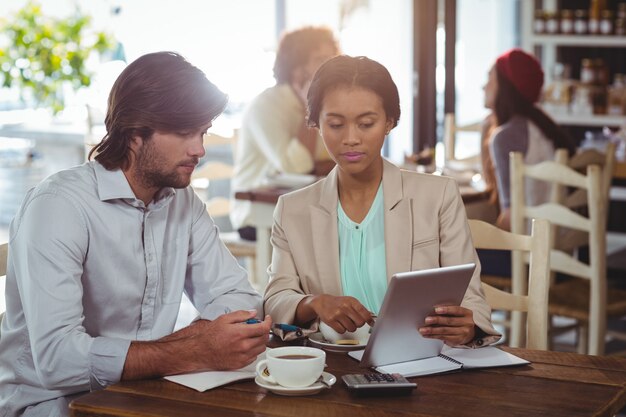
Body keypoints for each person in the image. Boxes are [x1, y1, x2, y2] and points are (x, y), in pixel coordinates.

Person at [0, 52, 271, 416]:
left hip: (144, 391)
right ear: (134, 132)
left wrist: (183, 347)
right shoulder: (58, 207)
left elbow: (240, 297)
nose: (200, 149)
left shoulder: (182, 201)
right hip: (53, 405)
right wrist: (191, 349)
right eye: (184, 132)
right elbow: (58, 359)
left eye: (202, 131)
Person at [263, 55, 501, 348]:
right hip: (331, 368)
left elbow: (471, 299)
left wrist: (468, 327)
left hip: (421, 363)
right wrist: (314, 303)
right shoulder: (292, 210)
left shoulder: (438, 196)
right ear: (317, 124)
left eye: (366, 124)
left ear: (389, 122)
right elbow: (275, 299)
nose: (351, 139)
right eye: (336, 124)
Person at [230, 26, 339, 241]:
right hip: (258, 214)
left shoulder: (330, 104)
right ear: (296, 68)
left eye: (332, 57)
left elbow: (332, 159)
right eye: (320, 59)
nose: (331, 65)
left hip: (304, 206)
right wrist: (311, 108)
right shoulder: (267, 105)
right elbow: (297, 168)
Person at [482, 48, 576, 232]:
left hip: (529, 245)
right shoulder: (543, 125)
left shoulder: (505, 137)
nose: (484, 86)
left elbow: (510, 218)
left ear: (505, 86)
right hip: (559, 237)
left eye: (490, 78)